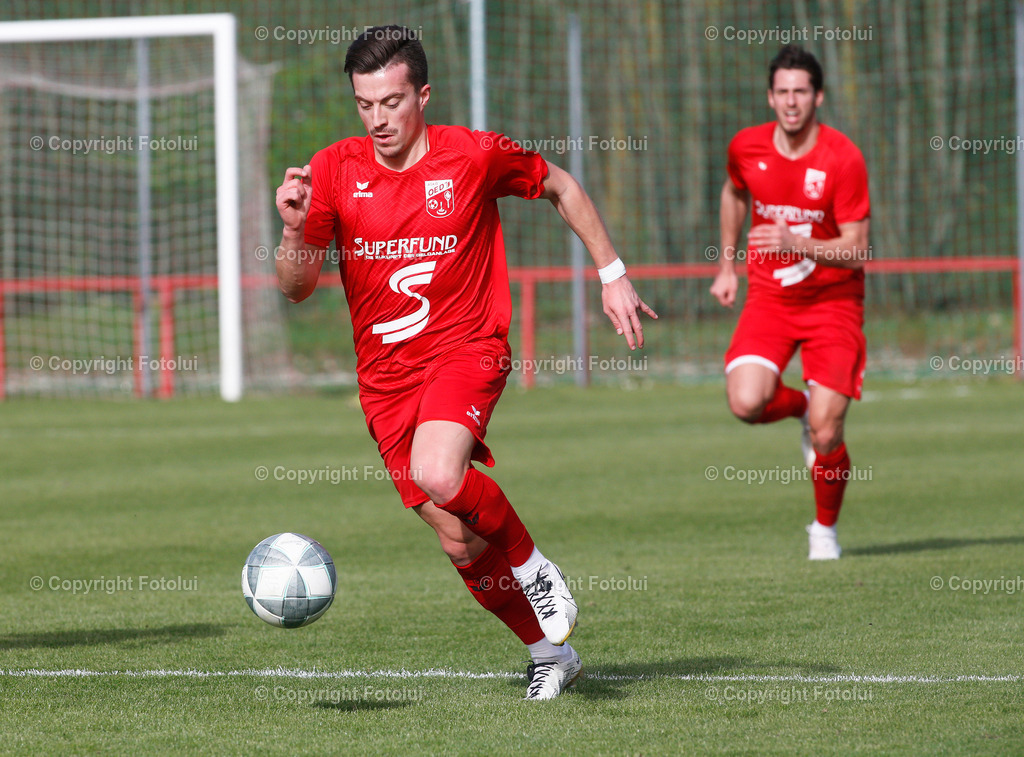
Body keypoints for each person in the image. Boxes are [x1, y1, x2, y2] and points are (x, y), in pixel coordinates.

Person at [274, 25, 657, 699]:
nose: (378, 119)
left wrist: (612, 271)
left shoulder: (472, 156)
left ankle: (537, 566)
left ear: (423, 94)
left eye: (391, 102)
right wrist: (293, 226)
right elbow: (297, 285)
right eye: (365, 105)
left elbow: (560, 184)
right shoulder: (333, 169)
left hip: (468, 346)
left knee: (438, 470)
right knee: (458, 541)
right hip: (386, 383)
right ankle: (548, 653)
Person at [710, 44, 870, 560]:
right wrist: (727, 265)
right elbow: (735, 192)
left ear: (818, 97)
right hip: (771, 300)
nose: (791, 101)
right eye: (782, 91)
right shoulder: (747, 147)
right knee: (745, 401)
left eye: (801, 91)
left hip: (834, 303)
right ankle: (799, 404)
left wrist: (795, 241)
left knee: (828, 431)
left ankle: (824, 529)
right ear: (770, 96)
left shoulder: (842, 158)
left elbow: (858, 248)